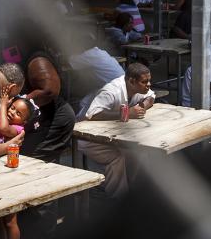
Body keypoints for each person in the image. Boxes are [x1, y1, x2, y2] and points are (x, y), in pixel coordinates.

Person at [77, 63, 155, 198]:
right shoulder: (111, 91)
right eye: (144, 82)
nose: (148, 84)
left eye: (149, 81)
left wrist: (142, 106)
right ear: (131, 81)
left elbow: (151, 97)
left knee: (139, 152)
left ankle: (135, 192)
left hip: (112, 134)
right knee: (117, 159)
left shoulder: (139, 89)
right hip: (88, 137)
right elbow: (92, 115)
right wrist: (126, 113)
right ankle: (119, 198)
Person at [0, 94, 40, 239]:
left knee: (10, 221)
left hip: (9, 177)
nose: (12, 112)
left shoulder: (18, 129)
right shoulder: (5, 114)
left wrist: (3, 105)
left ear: (24, 121)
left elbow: (3, 128)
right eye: (12, 107)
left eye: (18, 113)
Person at [22, 52, 75, 163]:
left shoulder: (37, 60)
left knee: (31, 161)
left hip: (55, 119)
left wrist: (20, 103)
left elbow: (49, 91)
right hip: (44, 118)